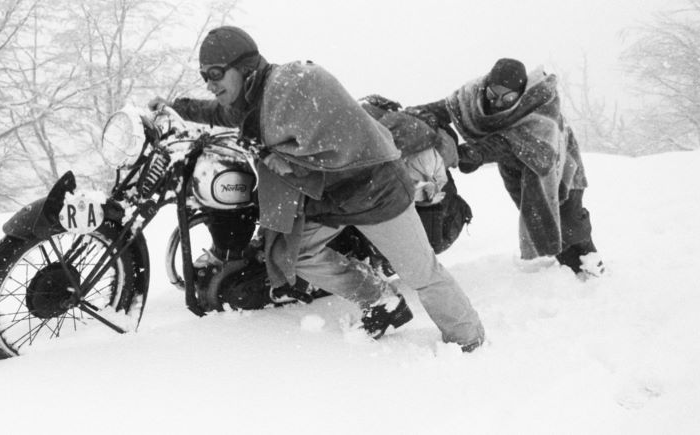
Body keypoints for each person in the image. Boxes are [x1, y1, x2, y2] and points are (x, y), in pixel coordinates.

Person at [149, 26, 485, 350]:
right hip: (330, 197)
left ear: (243, 66)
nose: (210, 83)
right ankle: (380, 299)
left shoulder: (293, 84)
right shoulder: (253, 100)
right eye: (204, 74)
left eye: (216, 73)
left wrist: (281, 160)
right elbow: (223, 112)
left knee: (421, 273)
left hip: (375, 190)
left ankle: (467, 339)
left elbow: (343, 137)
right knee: (294, 254)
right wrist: (178, 108)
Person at [407, 58, 605, 278]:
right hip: (517, 172)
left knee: (568, 216)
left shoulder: (540, 103)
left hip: (559, 166)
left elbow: (512, 143)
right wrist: (413, 116)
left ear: (520, 93)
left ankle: (590, 263)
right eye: (494, 95)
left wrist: (475, 153)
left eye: (508, 97)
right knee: (541, 219)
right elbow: (446, 108)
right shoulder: (473, 97)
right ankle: (569, 269)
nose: (498, 103)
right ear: (486, 88)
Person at [358, 95, 473, 255]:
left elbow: (428, 193)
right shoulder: (397, 132)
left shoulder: (413, 140)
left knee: (425, 246)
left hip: (431, 204)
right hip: (419, 197)